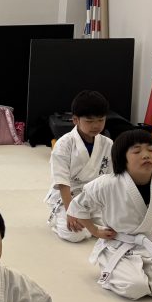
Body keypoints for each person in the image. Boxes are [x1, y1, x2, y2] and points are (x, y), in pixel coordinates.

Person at [68, 129, 152, 299]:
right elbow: (78, 206)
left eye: (151, 150)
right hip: (117, 244)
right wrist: (94, 231)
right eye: (137, 151)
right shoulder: (107, 184)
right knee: (135, 287)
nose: (146, 155)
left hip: (147, 244)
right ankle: (108, 263)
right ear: (122, 158)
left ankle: (144, 277)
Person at [45, 90, 113, 242]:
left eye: (101, 120)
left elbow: (111, 179)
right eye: (89, 121)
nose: (96, 125)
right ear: (75, 120)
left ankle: (91, 224)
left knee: (115, 226)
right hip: (69, 196)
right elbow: (62, 182)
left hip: (94, 197)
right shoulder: (64, 144)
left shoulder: (108, 144)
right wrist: (71, 212)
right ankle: (58, 219)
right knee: (75, 234)